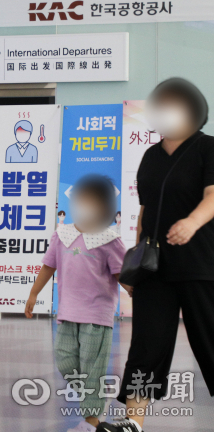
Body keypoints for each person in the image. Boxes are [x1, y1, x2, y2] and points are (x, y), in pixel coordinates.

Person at [98, 78, 214, 432]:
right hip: (155, 267)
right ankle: (133, 423)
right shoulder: (150, 154)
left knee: (210, 343)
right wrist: (135, 264)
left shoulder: (207, 148)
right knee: (146, 348)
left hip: (199, 263)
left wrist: (192, 223)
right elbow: (145, 212)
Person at [26, 175, 128, 432]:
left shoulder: (109, 239)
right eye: (82, 199)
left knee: (92, 368)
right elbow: (49, 265)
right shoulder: (62, 234)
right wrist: (34, 293)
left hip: (97, 315)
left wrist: (137, 291)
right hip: (68, 313)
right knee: (65, 361)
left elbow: (122, 274)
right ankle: (92, 396)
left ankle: (91, 421)